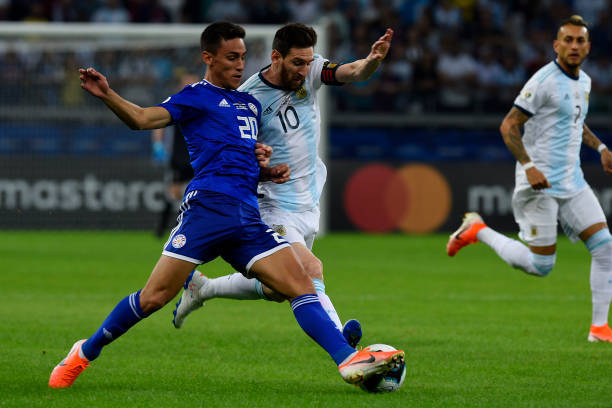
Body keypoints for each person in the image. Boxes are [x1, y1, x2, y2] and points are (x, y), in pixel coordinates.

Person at [48, 21, 403, 389]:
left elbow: (241, 162)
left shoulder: (249, 104)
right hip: (208, 210)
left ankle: (347, 360)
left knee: (300, 283)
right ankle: (84, 352)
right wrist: (108, 94)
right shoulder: (195, 97)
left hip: (247, 216)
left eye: (243, 57)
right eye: (232, 57)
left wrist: (267, 171)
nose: (239, 65)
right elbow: (141, 119)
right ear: (209, 58)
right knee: (154, 297)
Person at [171, 23, 394, 349]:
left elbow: (353, 71)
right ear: (276, 57)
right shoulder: (248, 99)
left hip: (308, 199)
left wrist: (372, 60)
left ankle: (203, 289)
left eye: (308, 62)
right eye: (297, 63)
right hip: (272, 203)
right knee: (310, 269)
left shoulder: (312, 70)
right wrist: (261, 165)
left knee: (279, 289)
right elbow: (237, 152)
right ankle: (345, 348)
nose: (304, 70)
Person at [446, 15, 612, 343]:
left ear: (588, 47)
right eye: (568, 40)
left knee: (605, 247)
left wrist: (601, 147)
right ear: (556, 46)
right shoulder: (544, 81)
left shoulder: (585, 82)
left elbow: (574, 121)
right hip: (540, 184)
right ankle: (478, 230)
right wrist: (529, 165)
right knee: (541, 266)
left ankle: (599, 328)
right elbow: (509, 125)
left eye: (580, 40)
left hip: (573, 181)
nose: (574, 46)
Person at [151, 73, 197, 238]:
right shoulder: (176, 103)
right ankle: (163, 226)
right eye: (186, 84)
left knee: (196, 193)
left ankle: (185, 227)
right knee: (173, 192)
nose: (189, 87)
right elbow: (159, 123)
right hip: (178, 157)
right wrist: (158, 144)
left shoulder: (202, 104)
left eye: (193, 83)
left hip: (197, 158)